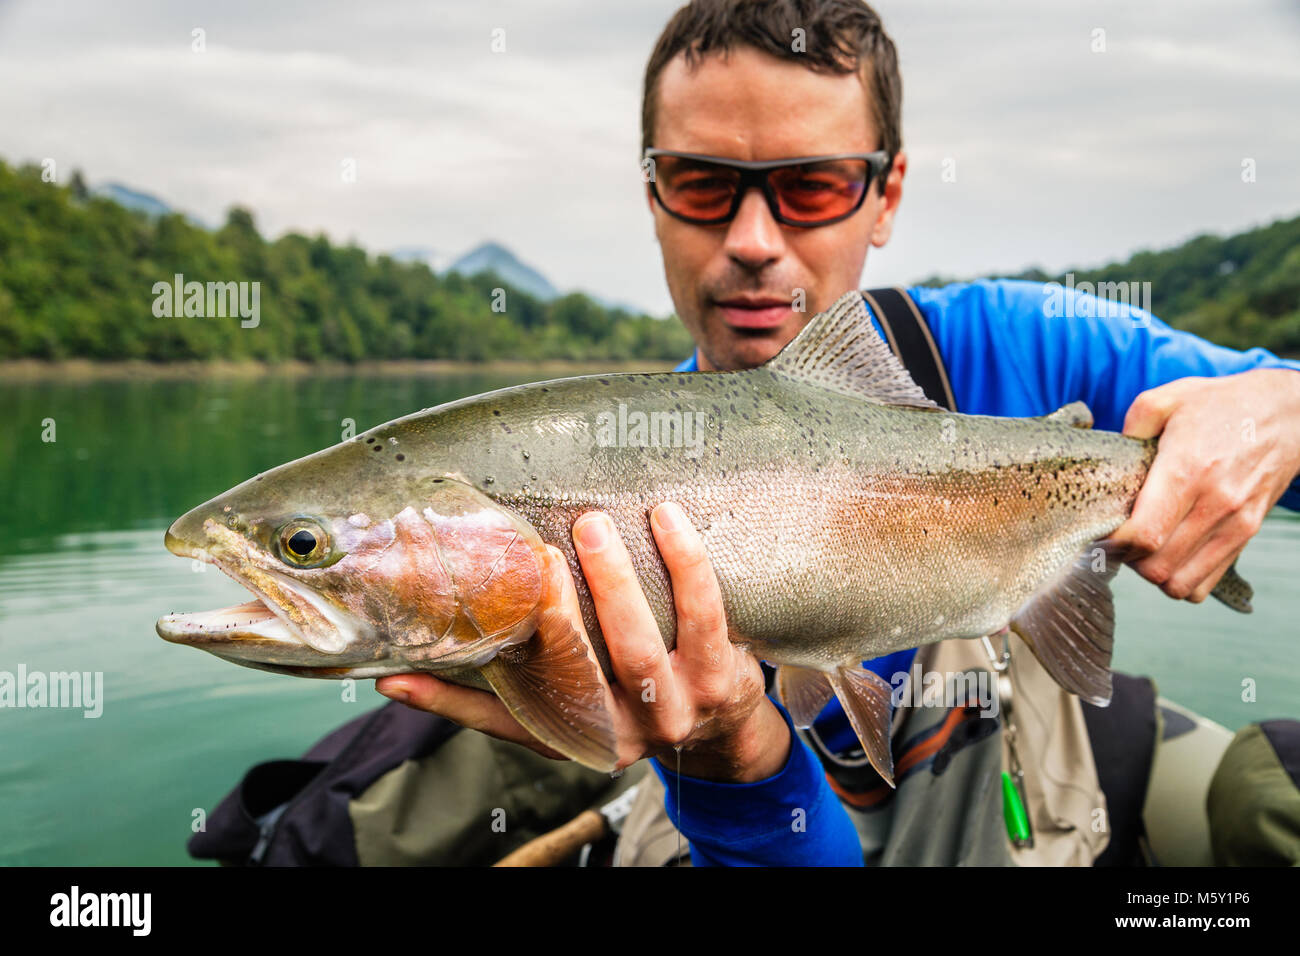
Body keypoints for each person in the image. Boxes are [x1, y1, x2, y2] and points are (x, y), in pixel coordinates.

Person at [371, 0, 1300, 866]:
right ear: (652, 193)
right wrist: (735, 765)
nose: (754, 240)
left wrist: (1281, 410)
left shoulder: (1033, 347)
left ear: (886, 195)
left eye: (810, 187)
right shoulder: (602, 493)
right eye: (702, 182)